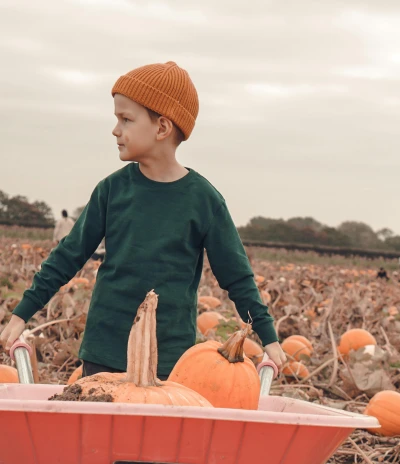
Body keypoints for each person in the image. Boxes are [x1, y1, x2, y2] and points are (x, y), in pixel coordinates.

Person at [0, 62, 286, 379]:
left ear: (162, 128)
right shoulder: (112, 190)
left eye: (126, 119)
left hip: (168, 361)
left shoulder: (204, 201)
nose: (115, 129)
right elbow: (68, 256)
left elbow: (237, 278)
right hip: (104, 351)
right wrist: (22, 314)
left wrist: (268, 337)